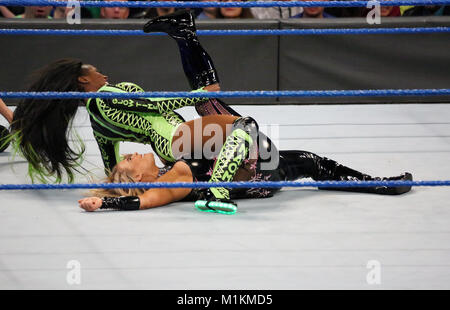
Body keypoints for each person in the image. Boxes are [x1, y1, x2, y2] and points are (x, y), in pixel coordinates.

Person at [4, 9, 255, 184]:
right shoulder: (104, 96)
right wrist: (196, 95)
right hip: (178, 137)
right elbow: (152, 105)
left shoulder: (96, 121)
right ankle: (184, 33)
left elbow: (110, 165)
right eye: (95, 72)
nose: (103, 74)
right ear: (83, 81)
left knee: (256, 157)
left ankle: (183, 33)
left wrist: (115, 184)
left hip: (171, 148)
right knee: (242, 132)